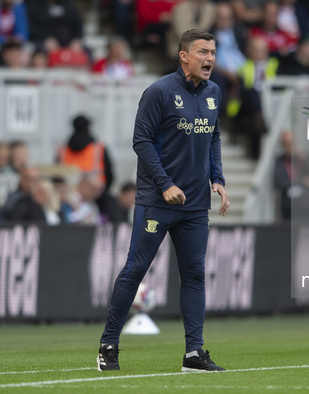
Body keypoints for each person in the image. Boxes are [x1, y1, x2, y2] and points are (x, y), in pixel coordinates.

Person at [97, 29, 229, 372]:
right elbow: (141, 141)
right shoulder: (159, 92)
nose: (210, 59)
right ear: (183, 55)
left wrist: (218, 178)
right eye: (203, 52)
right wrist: (165, 183)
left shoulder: (214, 92)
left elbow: (214, 136)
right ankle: (109, 344)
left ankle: (193, 354)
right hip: (158, 200)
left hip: (196, 203)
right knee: (136, 269)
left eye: (213, 52)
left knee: (195, 274)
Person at [57, 114, 115, 217]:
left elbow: (56, 174)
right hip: (98, 197)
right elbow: (109, 174)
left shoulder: (63, 150)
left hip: (67, 198)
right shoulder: (98, 148)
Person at [236, 36, 278, 158]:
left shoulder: (274, 65)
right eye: (256, 50)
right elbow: (242, 89)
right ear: (249, 51)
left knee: (257, 119)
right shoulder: (244, 66)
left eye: (262, 50)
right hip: (249, 105)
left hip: (269, 103)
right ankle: (260, 115)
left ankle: (260, 116)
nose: (259, 53)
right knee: (253, 93)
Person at [274, 130, 309, 221]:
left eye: (292, 143)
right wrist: (302, 181)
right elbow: (278, 182)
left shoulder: (304, 157)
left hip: (307, 207)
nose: (290, 147)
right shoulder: (280, 161)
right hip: (289, 209)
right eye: (287, 144)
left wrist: (304, 158)